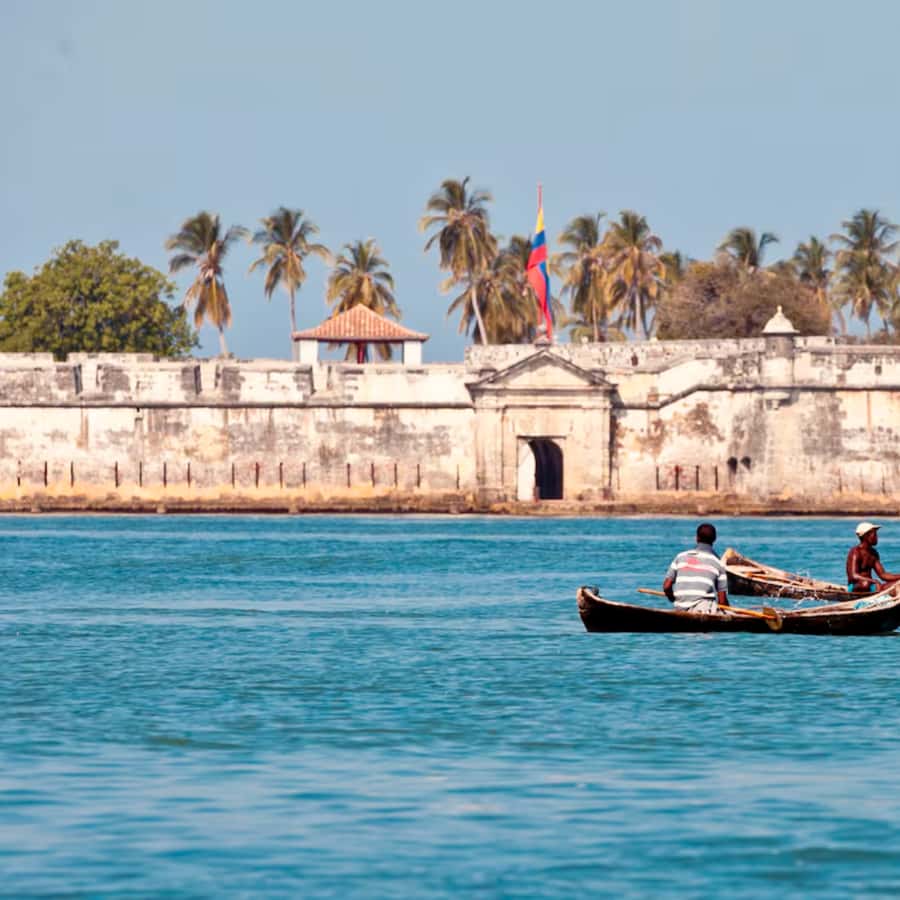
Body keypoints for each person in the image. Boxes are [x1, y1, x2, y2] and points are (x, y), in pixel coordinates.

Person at [663, 522, 730, 615]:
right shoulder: (718, 563)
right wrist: (728, 611)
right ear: (714, 539)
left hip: (679, 608)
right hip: (703, 609)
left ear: (697, 538)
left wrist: (673, 599)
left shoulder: (680, 557)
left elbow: (666, 587)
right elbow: (722, 601)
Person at [846, 522, 900, 593]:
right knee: (865, 584)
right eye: (874, 535)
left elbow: (883, 575)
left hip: (871, 586)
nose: (877, 537)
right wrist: (874, 581)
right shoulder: (855, 552)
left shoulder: (873, 553)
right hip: (856, 586)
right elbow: (853, 575)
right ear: (866, 536)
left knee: (897, 584)